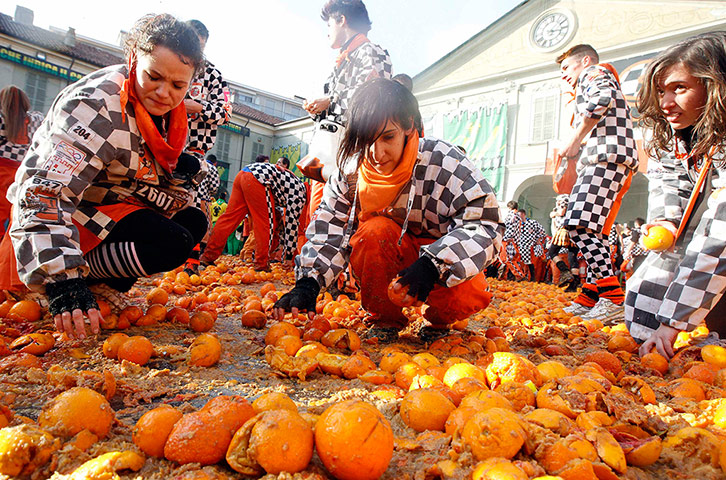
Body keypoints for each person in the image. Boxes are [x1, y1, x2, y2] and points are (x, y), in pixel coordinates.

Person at [0, 14, 207, 339]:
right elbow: (42, 192)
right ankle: (66, 279)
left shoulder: (167, 112)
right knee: (171, 240)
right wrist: (62, 280)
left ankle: (99, 284)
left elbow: (136, 169)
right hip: (58, 223)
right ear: (133, 59)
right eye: (154, 76)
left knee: (191, 223)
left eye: (178, 85)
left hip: (105, 205)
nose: (164, 92)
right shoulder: (94, 107)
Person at [273, 78, 503, 337]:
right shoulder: (350, 173)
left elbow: (485, 223)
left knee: (464, 295)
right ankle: (384, 319)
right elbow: (329, 228)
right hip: (390, 252)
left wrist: (432, 265)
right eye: (366, 140)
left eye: (388, 137)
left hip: (439, 263)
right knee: (373, 231)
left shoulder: (444, 161)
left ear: (408, 126)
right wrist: (308, 284)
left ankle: (440, 321)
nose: (376, 153)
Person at [625, 32, 726, 358]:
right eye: (660, 92)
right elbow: (669, 180)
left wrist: (673, 321)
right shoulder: (680, 135)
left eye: (679, 88)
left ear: (714, 87)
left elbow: (719, 235)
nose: (666, 102)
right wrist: (666, 220)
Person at [556, 44, 638, 320]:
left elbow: (601, 100)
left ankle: (613, 297)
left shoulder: (595, 72)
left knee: (579, 225)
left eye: (566, 67)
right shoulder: (595, 75)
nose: (564, 75)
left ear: (585, 61)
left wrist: (575, 139)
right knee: (595, 231)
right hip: (610, 157)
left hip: (605, 156)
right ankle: (592, 295)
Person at [303, 0, 392, 219]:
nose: (327, 32)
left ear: (342, 20)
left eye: (329, 24)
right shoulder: (347, 57)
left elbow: (371, 99)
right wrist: (318, 109)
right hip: (331, 152)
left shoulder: (370, 51)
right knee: (318, 215)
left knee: (338, 216)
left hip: (352, 152)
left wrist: (329, 101)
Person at [182, 19, 229, 273]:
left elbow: (225, 113)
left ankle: (192, 260)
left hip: (195, 150)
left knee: (197, 204)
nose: (194, 51)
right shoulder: (172, 64)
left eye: (199, 46)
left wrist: (198, 108)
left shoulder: (213, 75)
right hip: (162, 146)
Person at [200, 161, 307, 271]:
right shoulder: (300, 194)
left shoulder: (293, 183)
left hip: (244, 173)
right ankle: (261, 264)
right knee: (266, 223)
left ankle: (208, 256)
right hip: (259, 179)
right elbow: (291, 225)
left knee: (229, 218)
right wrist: (289, 257)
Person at [0, 86, 44, 235]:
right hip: (22, 174)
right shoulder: (36, 120)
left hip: (2, 171)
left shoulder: (1, 121)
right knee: (15, 216)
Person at [517, 209, 547, 281]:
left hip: (530, 246)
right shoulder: (517, 224)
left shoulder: (533, 223)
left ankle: (533, 278)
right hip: (520, 246)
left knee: (531, 263)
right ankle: (521, 277)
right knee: (521, 263)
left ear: (523, 214)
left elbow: (542, 231)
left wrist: (538, 240)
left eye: (519, 215)